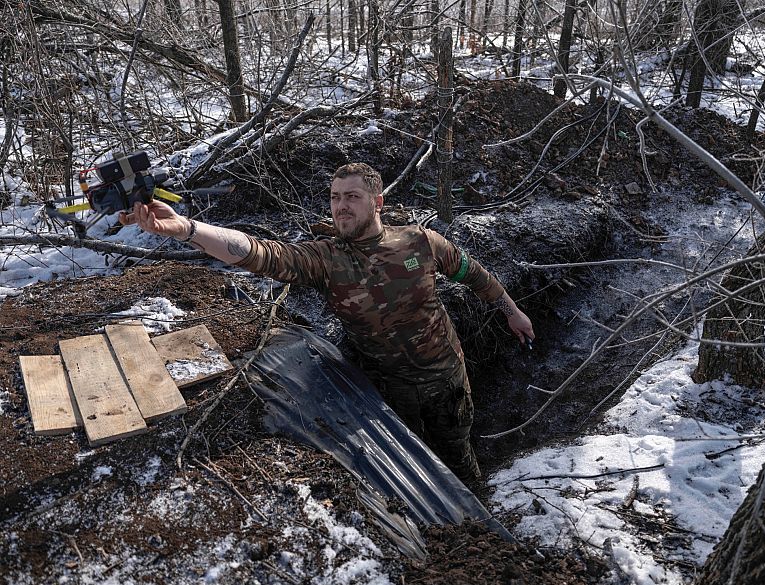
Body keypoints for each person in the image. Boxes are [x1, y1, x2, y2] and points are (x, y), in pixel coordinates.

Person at [120, 163, 534, 482]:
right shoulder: (326, 258)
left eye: (352, 196)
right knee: (410, 470)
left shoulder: (419, 241)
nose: (340, 206)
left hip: (446, 378)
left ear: (378, 202)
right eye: (335, 197)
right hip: (384, 394)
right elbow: (260, 254)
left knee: (459, 456)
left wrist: (512, 311)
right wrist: (188, 229)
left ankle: (480, 524)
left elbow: (474, 274)